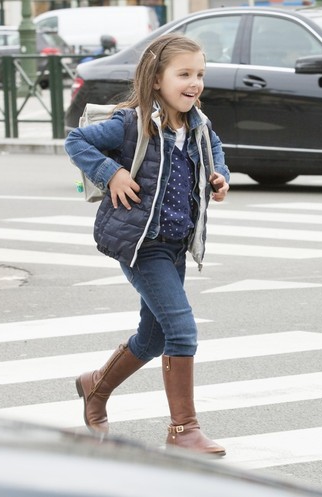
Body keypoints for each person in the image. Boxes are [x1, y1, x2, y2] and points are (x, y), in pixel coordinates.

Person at [64, 33, 231, 456]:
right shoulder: (132, 122)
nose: (194, 83)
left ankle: (94, 387)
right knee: (181, 329)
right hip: (140, 244)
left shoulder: (197, 125)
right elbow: (75, 140)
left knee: (154, 336)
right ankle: (184, 431)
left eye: (199, 75)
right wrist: (111, 173)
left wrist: (219, 176)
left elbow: (214, 149)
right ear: (157, 79)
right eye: (184, 74)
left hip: (174, 243)